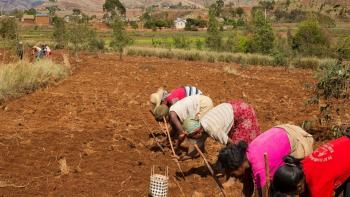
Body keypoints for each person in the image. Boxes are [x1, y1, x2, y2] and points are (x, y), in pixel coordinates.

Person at [216, 124, 314, 196]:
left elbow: (263, 194)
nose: (234, 177)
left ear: (238, 166)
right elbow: (248, 186)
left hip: (298, 140)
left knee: (296, 184)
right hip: (282, 132)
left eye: (233, 174)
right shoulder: (245, 158)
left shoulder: (259, 166)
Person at [272, 133, 350, 197]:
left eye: (290, 194)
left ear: (299, 187)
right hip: (345, 143)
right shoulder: (301, 165)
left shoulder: (318, 187)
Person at [178, 100, 261, 159]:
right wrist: (186, 157)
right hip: (234, 106)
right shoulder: (202, 124)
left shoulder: (212, 129)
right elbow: (198, 146)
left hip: (243, 113)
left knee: (239, 146)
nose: (193, 139)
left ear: (198, 132)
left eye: (192, 137)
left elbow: (232, 144)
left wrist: (226, 159)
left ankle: (238, 172)